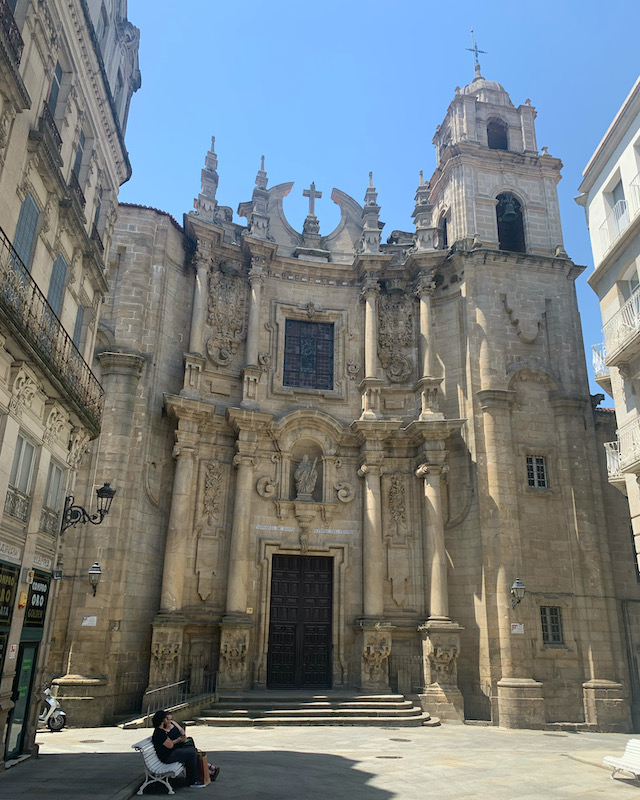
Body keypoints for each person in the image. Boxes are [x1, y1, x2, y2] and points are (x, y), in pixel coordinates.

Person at [151, 709, 220, 788]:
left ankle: (198, 775)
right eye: (166, 719)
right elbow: (170, 745)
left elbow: (170, 742)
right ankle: (193, 781)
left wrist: (175, 740)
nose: (168, 720)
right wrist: (178, 740)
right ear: (163, 720)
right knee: (191, 753)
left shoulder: (160, 731)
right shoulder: (159, 733)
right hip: (167, 756)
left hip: (170, 753)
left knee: (192, 750)